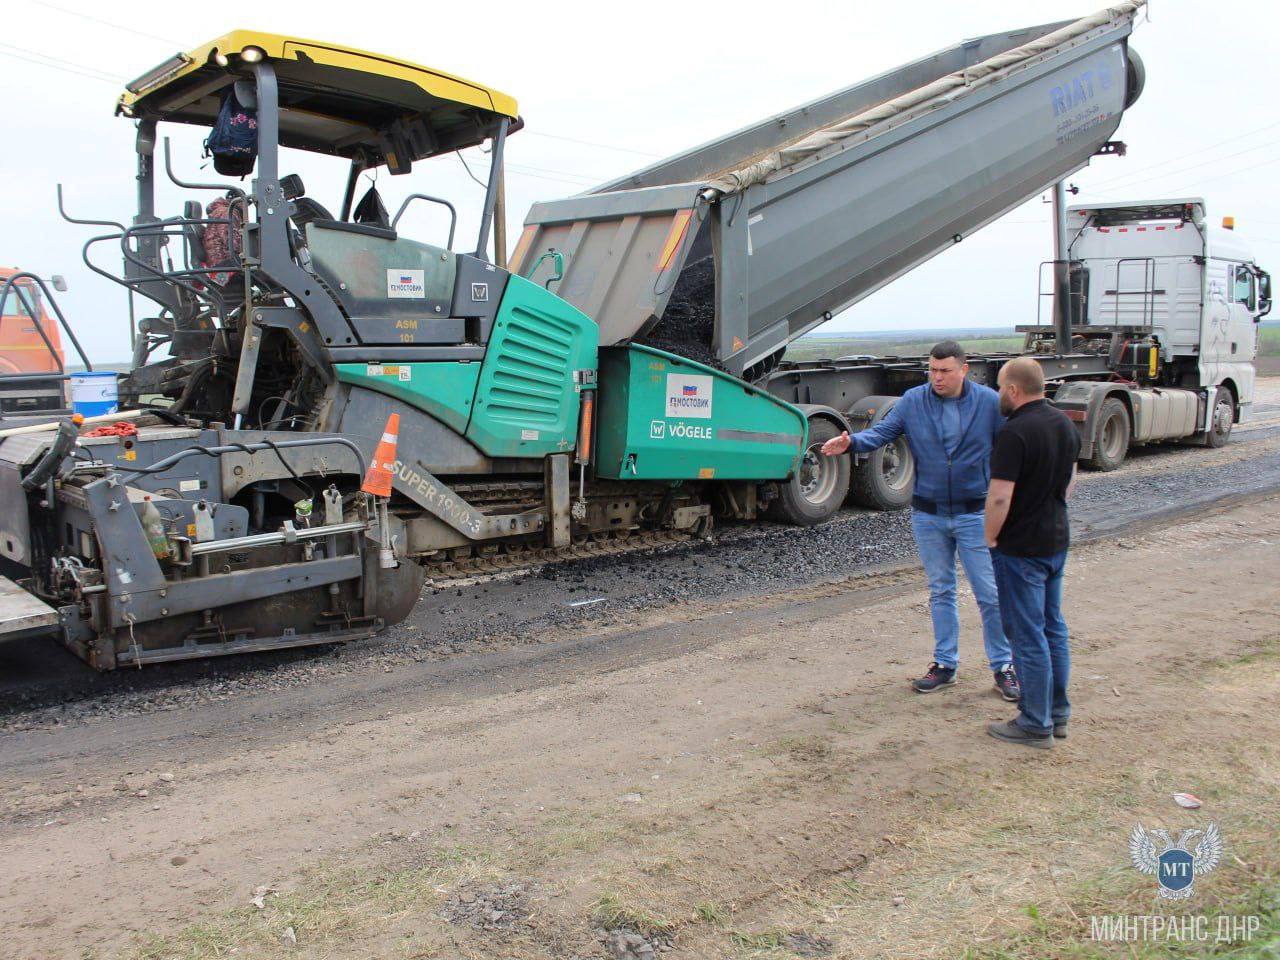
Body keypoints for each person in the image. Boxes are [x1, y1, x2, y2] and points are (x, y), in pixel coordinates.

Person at [821, 341, 1018, 700]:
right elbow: (882, 433)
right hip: (928, 514)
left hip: (975, 514)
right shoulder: (914, 400)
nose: (937, 378)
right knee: (941, 591)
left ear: (963, 369)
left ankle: (1004, 667)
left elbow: (1013, 442)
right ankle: (945, 665)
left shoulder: (989, 402)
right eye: (932, 370)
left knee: (988, 594)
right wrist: (851, 443)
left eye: (944, 371)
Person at [983, 357, 1080, 749]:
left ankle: (1035, 722)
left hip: (1020, 548)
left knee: (1026, 635)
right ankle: (1057, 714)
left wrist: (990, 537)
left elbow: (1000, 496)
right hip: (1055, 540)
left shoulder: (1014, 433)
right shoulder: (1063, 423)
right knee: (1052, 627)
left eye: (1001, 387)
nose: (999, 395)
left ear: (1013, 390)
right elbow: (1070, 482)